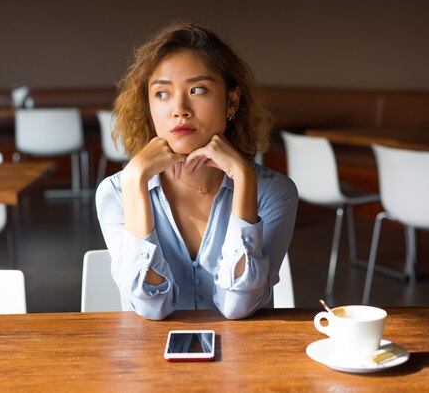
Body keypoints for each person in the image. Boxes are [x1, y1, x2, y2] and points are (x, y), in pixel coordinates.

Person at [96, 22, 298, 320]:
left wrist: (243, 179)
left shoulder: (273, 192)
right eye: (162, 94)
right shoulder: (117, 192)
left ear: (232, 101)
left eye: (197, 90)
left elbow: (237, 306)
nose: (180, 108)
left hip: (245, 361)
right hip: (150, 362)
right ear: (148, 106)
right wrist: (136, 180)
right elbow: (152, 307)